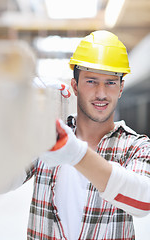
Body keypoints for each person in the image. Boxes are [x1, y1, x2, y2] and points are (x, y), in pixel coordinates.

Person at [25, 30, 150, 240]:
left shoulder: (136, 146)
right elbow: (0, 182)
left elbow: (144, 202)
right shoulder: (48, 137)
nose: (101, 93)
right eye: (91, 81)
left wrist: (75, 154)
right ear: (75, 86)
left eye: (110, 82)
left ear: (121, 88)